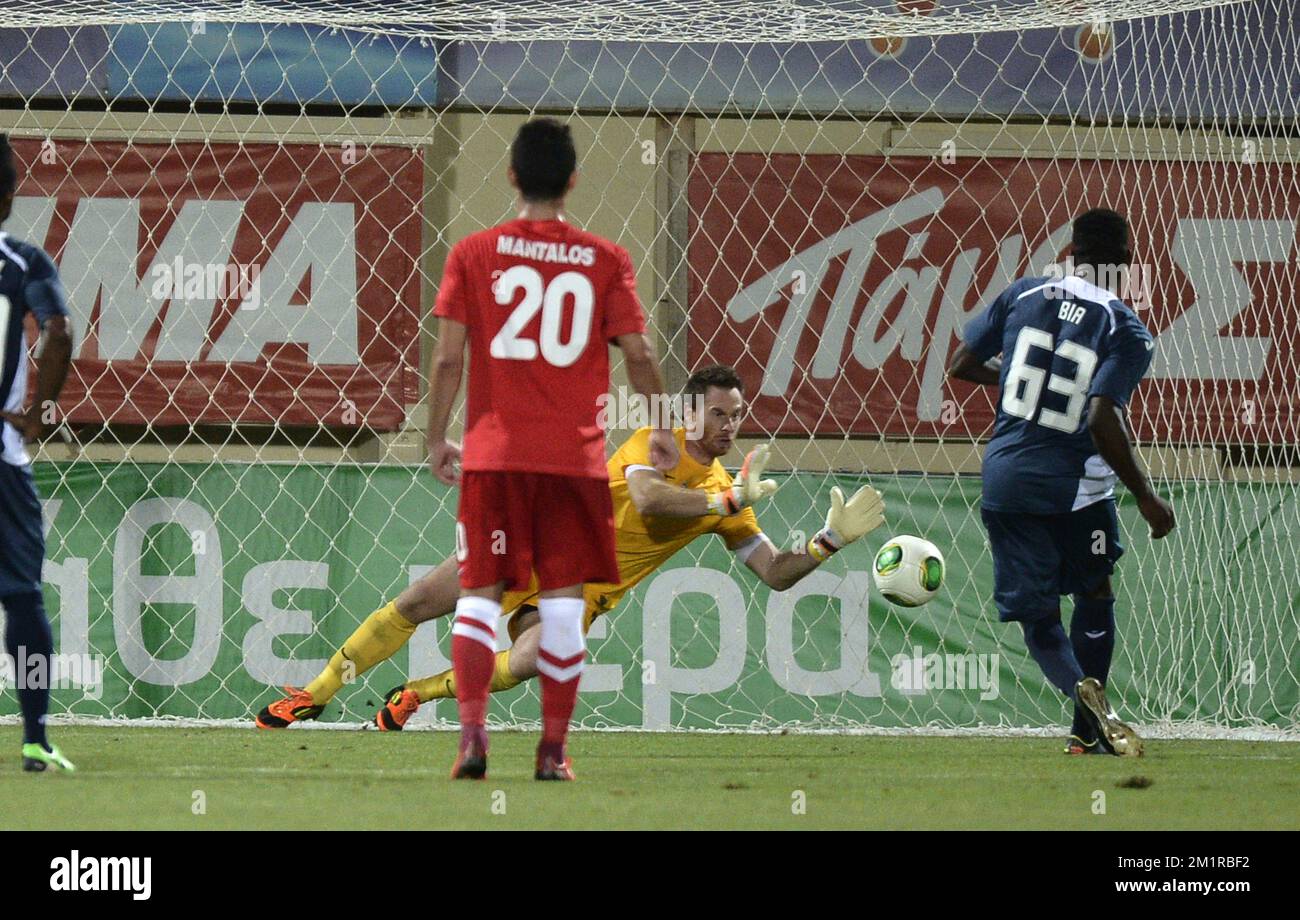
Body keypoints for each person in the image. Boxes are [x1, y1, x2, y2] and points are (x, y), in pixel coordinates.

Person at [255, 365, 885, 736]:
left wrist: (830, 542)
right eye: (719, 414)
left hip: (578, 592)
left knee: (536, 658)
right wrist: (725, 503)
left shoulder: (730, 495)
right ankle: (312, 694)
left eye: (736, 416)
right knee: (421, 600)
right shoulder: (657, 442)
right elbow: (649, 501)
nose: (730, 426)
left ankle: (420, 692)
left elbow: (773, 572)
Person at [948, 207, 1175, 757]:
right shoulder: (1127, 328)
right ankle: (1086, 728)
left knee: (1039, 616)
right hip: (1080, 489)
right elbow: (1101, 416)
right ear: (1125, 263)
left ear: (1069, 253)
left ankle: (1080, 698)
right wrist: (1146, 496)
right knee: (1094, 589)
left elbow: (959, 363)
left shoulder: (1023, 293)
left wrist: (1016, 382)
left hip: (1008, 480)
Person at [0, 134, 77, 772]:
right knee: (21, 595)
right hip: (2, 457)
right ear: (7, 198)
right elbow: (60, 328)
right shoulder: (21, 262)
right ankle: (33, 735)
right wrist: (36, 415)